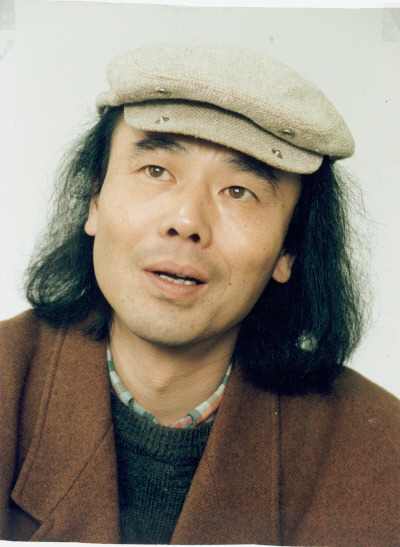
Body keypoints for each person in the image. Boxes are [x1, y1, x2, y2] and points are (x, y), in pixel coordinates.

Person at [0, 42, 398, 545]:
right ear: (95, 200)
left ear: (289, 249)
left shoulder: (381, 450)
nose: (187, 221)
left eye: (239, 191)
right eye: (156, 171)